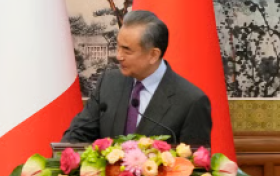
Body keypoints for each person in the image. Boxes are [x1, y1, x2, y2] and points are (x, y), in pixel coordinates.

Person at [62, 10, 211, 146]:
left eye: (127, 50)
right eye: (118, 46)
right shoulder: (108, 83)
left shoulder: (191, 102)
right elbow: (78, 134)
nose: (118, 56)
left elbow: (195, 162)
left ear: (153, 55)